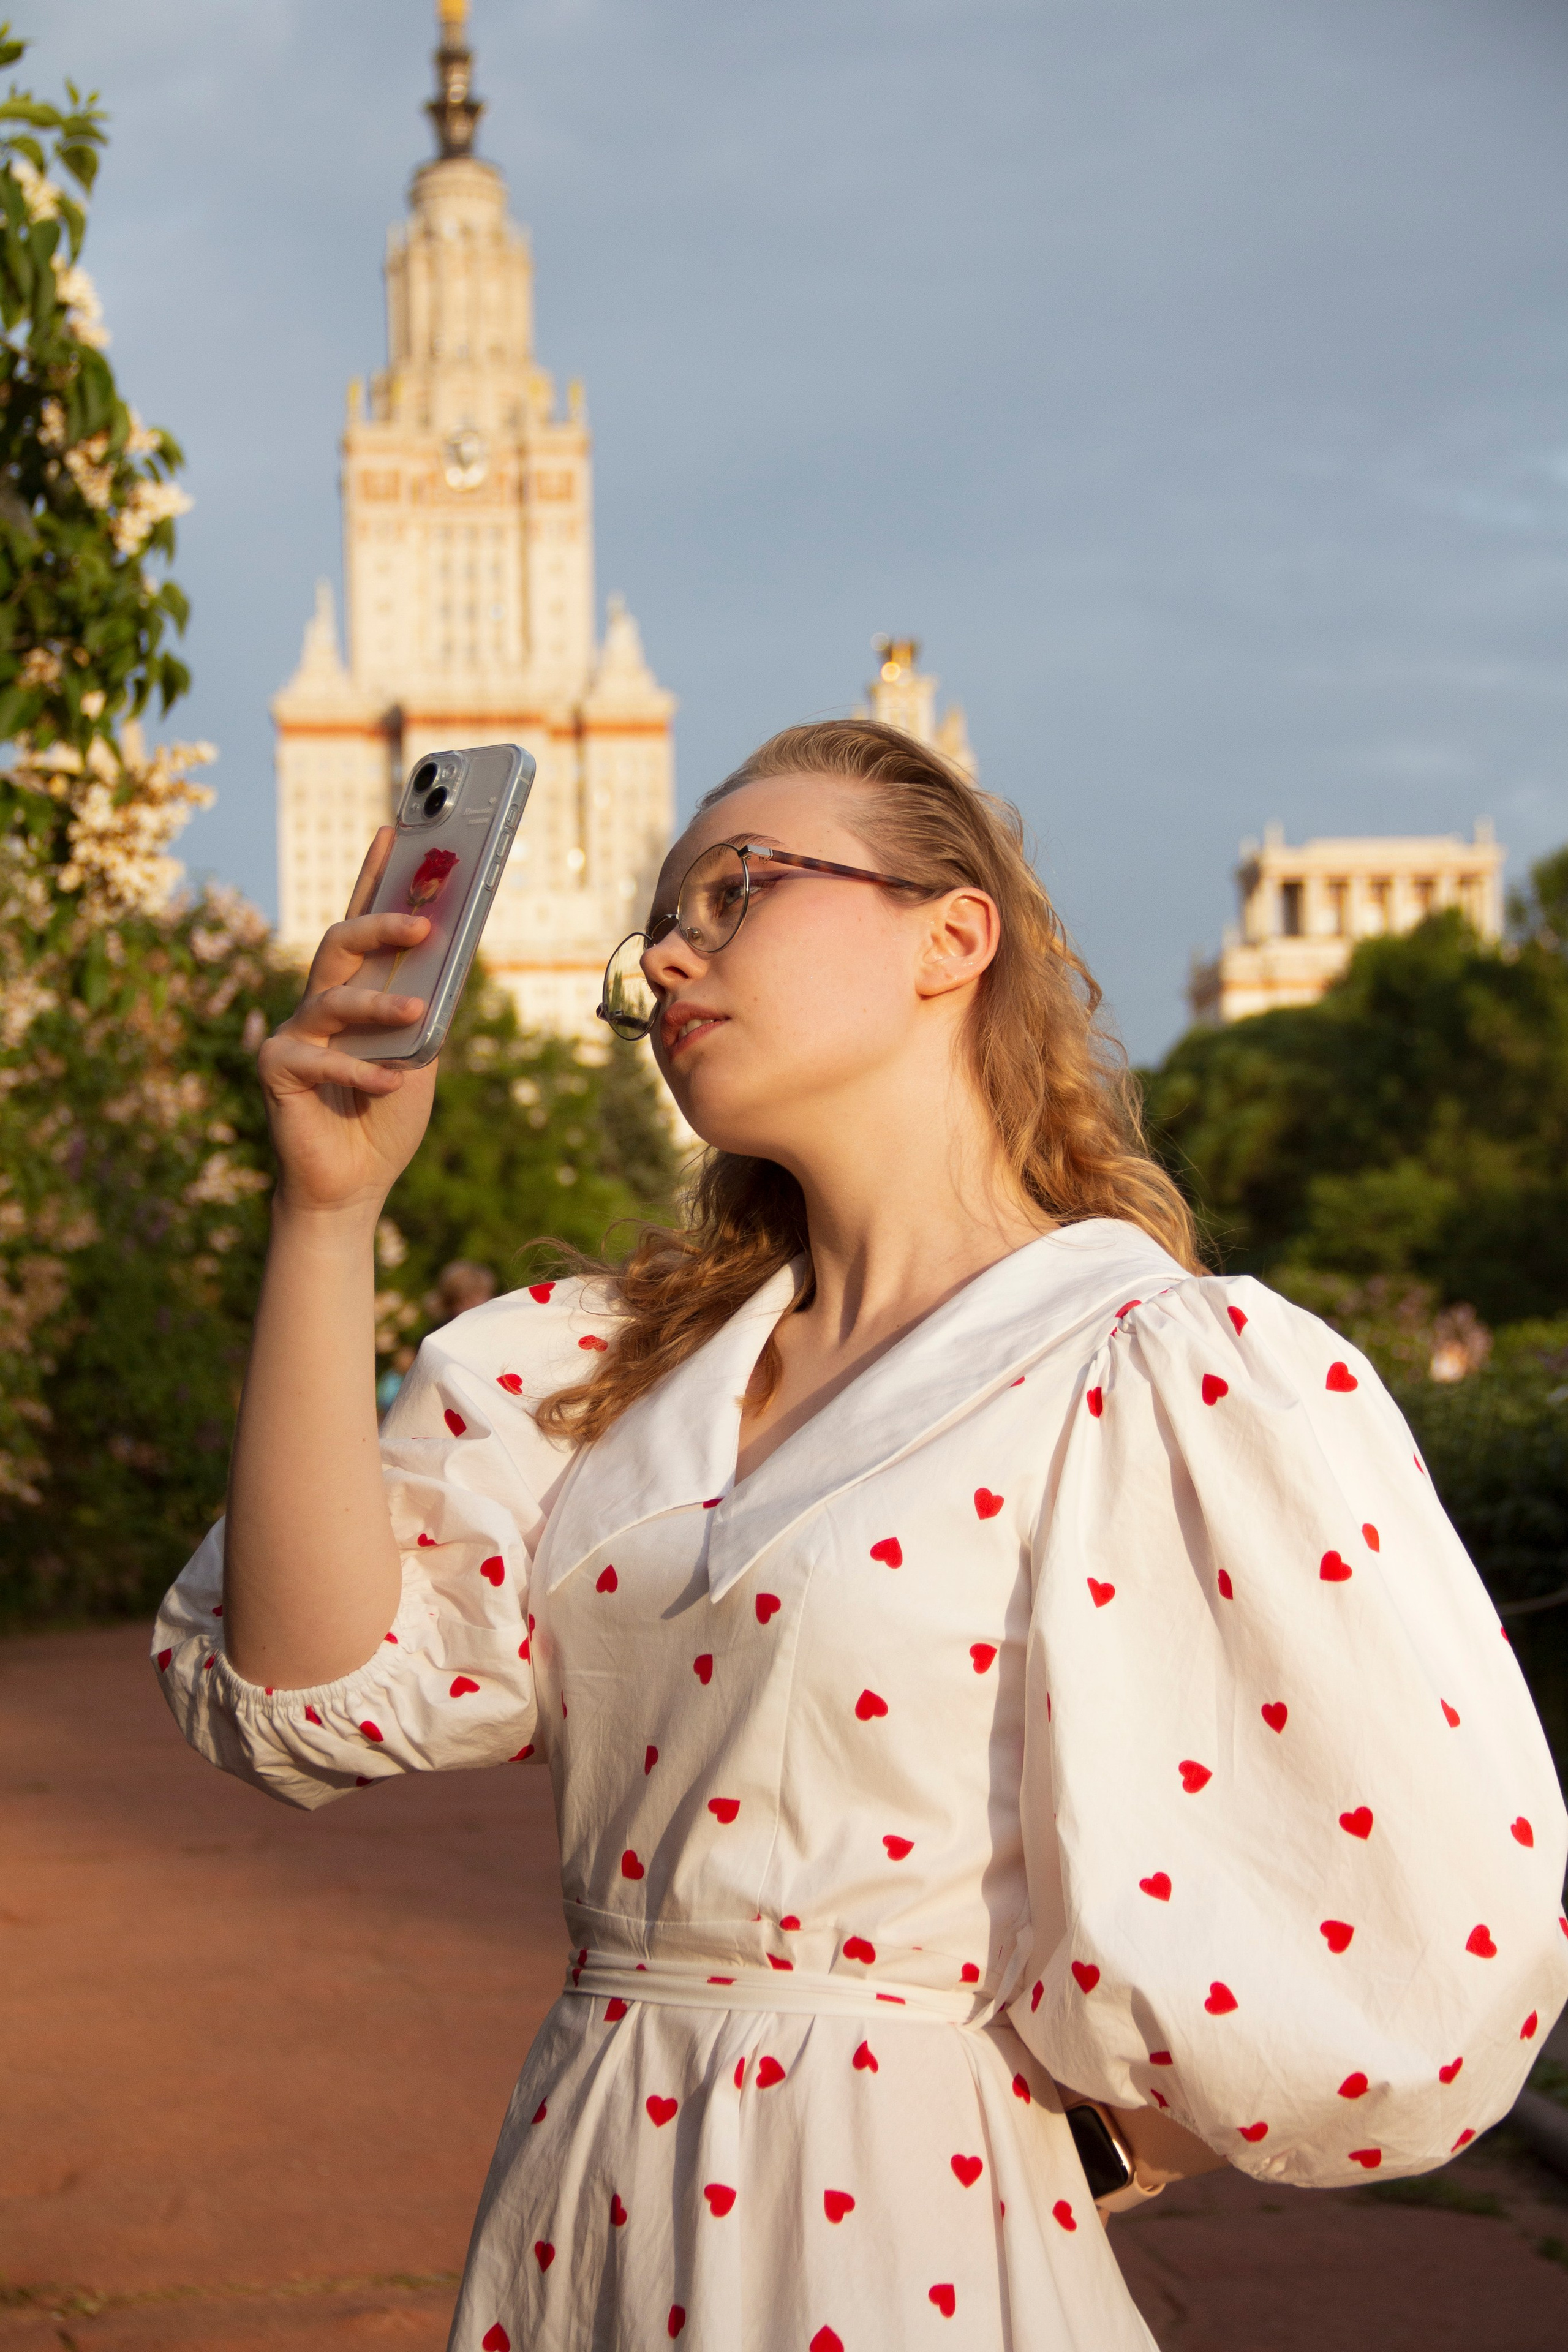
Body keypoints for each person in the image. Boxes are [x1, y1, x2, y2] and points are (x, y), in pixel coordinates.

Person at [156, 720, 1568, 2351]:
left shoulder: (1148, 1366)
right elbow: (309, 1689)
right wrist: (326, 1211)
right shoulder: (614, 1371)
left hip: (903, 2220)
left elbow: (1431, 1888)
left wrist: (1092, 2135)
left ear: (952, 936)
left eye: (737, 888)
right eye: (660, 926)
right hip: (590, 2186)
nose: (674, 950)